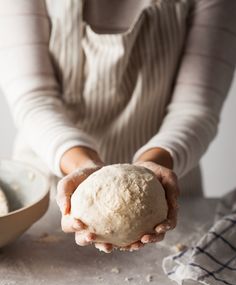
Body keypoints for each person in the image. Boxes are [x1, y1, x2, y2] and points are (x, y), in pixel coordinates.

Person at [0, 0, 235, 252]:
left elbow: (195, 108)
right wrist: (82, 167)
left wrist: (156, 167)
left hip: (167, 185)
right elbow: (34, 99)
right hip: (53, 188)